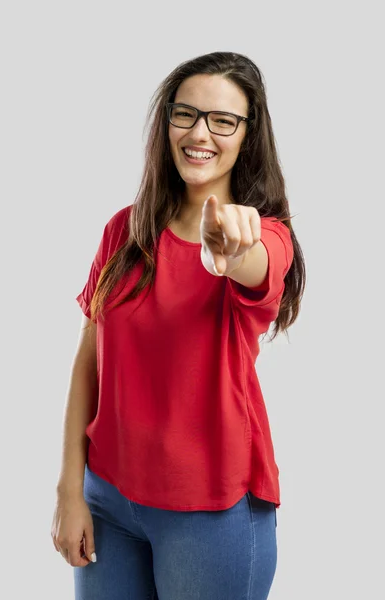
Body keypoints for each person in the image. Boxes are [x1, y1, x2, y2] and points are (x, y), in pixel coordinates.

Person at [51, 51, 306, 600]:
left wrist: (231, 252)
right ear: (166, 120)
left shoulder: (265, 236)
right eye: (185, 113)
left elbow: (255, 261)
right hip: (108, 501)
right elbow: (86, 366)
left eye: (223, 120)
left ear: (247, 134)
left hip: (210, 515)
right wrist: (69, 491)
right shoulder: (124, 230)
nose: (200, 133)